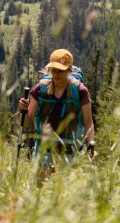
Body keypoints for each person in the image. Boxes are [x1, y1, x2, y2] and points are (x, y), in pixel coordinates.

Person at [18, 49, 95, 179]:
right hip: (44, 154)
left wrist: (90, 146)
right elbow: (26, 123)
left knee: (68, 196)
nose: (57, 74)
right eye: (54, 70)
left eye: (61, 70)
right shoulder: (40, 90)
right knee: (41, 194)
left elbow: (88, 122)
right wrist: (23, 111)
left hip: (72, 155)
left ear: (69, 70)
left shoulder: (81, 91)